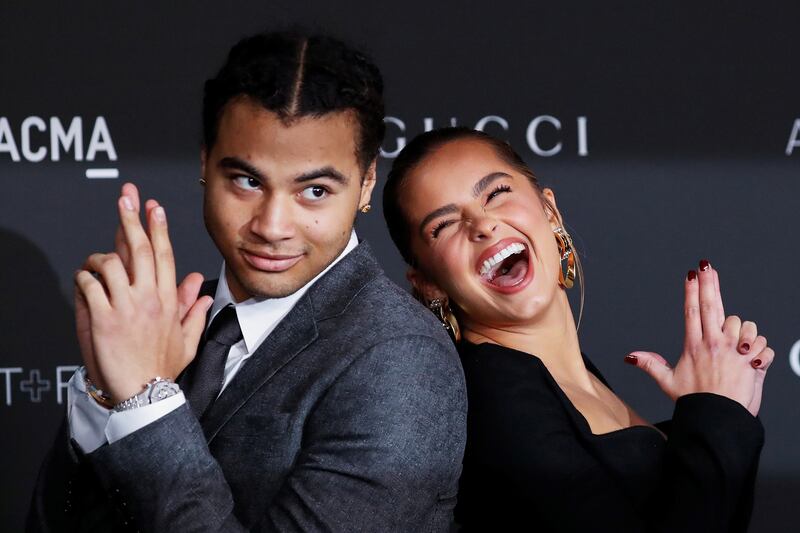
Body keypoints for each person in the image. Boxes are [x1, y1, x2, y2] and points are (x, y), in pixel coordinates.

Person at [27, 31, 467, 532]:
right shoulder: (164, 329)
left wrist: (144, 401)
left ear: (366, 182)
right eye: (248, 181)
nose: (272, 226)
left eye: (315, 191)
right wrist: (106, 393)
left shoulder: (402, 359)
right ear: (204, 163)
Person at [382, 127, 773, 532]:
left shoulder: (559, 376)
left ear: (549, 211)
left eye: (496, 193)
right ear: (429, 282)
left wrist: (713, 414)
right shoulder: (494, 398)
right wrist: (717, 418)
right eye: (443, 225)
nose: (482, 225)